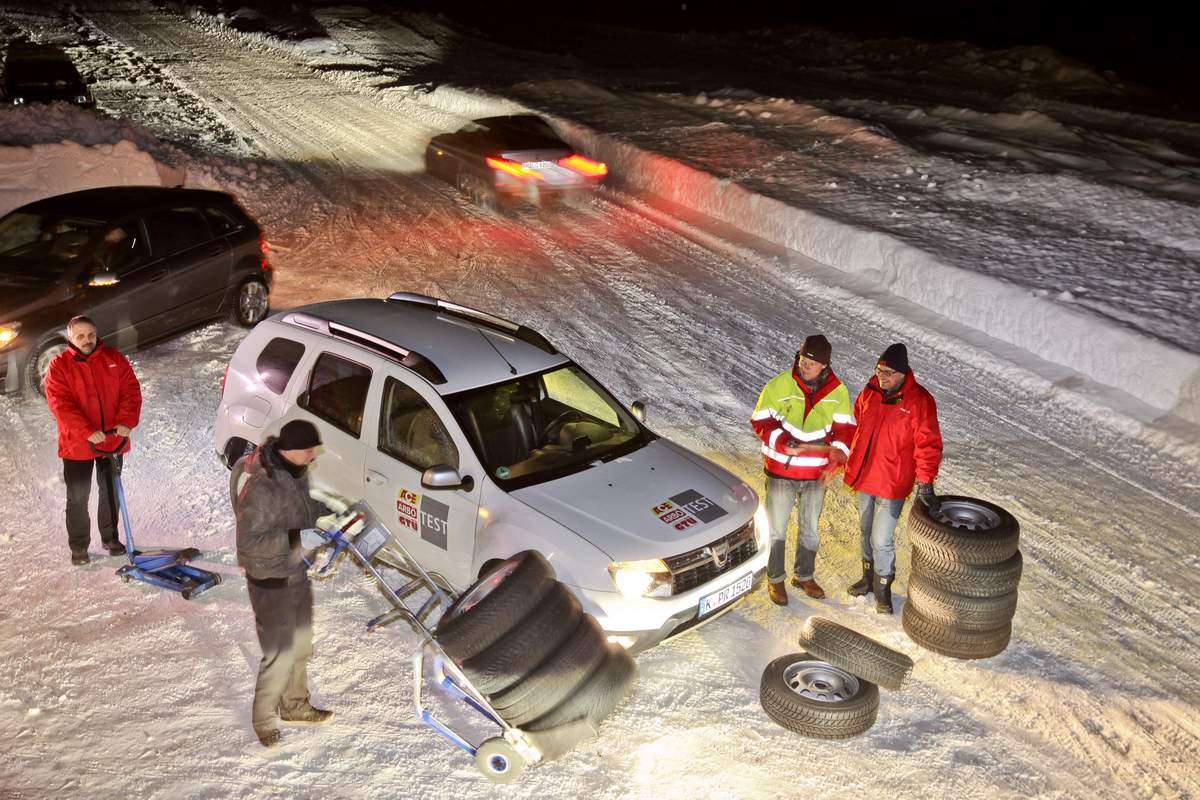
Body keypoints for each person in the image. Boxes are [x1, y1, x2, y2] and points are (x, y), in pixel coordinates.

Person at [235, 419, 340, 748]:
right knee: (280, 654)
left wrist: (328, 513)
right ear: (291, 451)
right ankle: (263, 719)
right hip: (270, 579)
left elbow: (303, 509)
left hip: (294, 569)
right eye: (309, 450)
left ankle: (295, 706)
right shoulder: (262, 487)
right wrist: (297, 536)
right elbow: (248, 545)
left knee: (301, 645)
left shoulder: (295, 472)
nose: (313, 456)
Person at [750, 335, 856, 605]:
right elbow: (760, 420)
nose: (805, 365)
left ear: (824, 365)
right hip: (781, 473)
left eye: (812, 362)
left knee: (810, 529)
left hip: (815, 476)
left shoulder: (838, 392)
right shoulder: (779, 384)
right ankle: (775, 579)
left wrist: (836, 460)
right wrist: (783, 443)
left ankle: (804, 576)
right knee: (776, 529)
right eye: (803, 359)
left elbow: (846, 431)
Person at [843, 343, 943, 614]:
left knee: (880, 538)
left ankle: (883, 586)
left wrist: (925, 482)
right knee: (865, 532)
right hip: (865, 476)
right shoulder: (870, 391)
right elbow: (856, 424)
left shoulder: (919, 400)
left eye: (887, 372)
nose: (881, 376)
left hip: (892, 482)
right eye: (878, 370)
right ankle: (868, 579)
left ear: (902, 374)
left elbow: (928, 444)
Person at [44, 315, 142, 566]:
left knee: (110, 491)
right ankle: (79, 546)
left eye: (91, 335)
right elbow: (60, 405)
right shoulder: (59, 366)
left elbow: (131, 391)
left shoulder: (113, 359)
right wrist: (86, 430)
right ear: (70, 339)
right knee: (78, 496)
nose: (87, 340)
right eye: (81, 336)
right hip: (78, 443)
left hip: (112, 439)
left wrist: (125, 422)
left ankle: (110, 538)